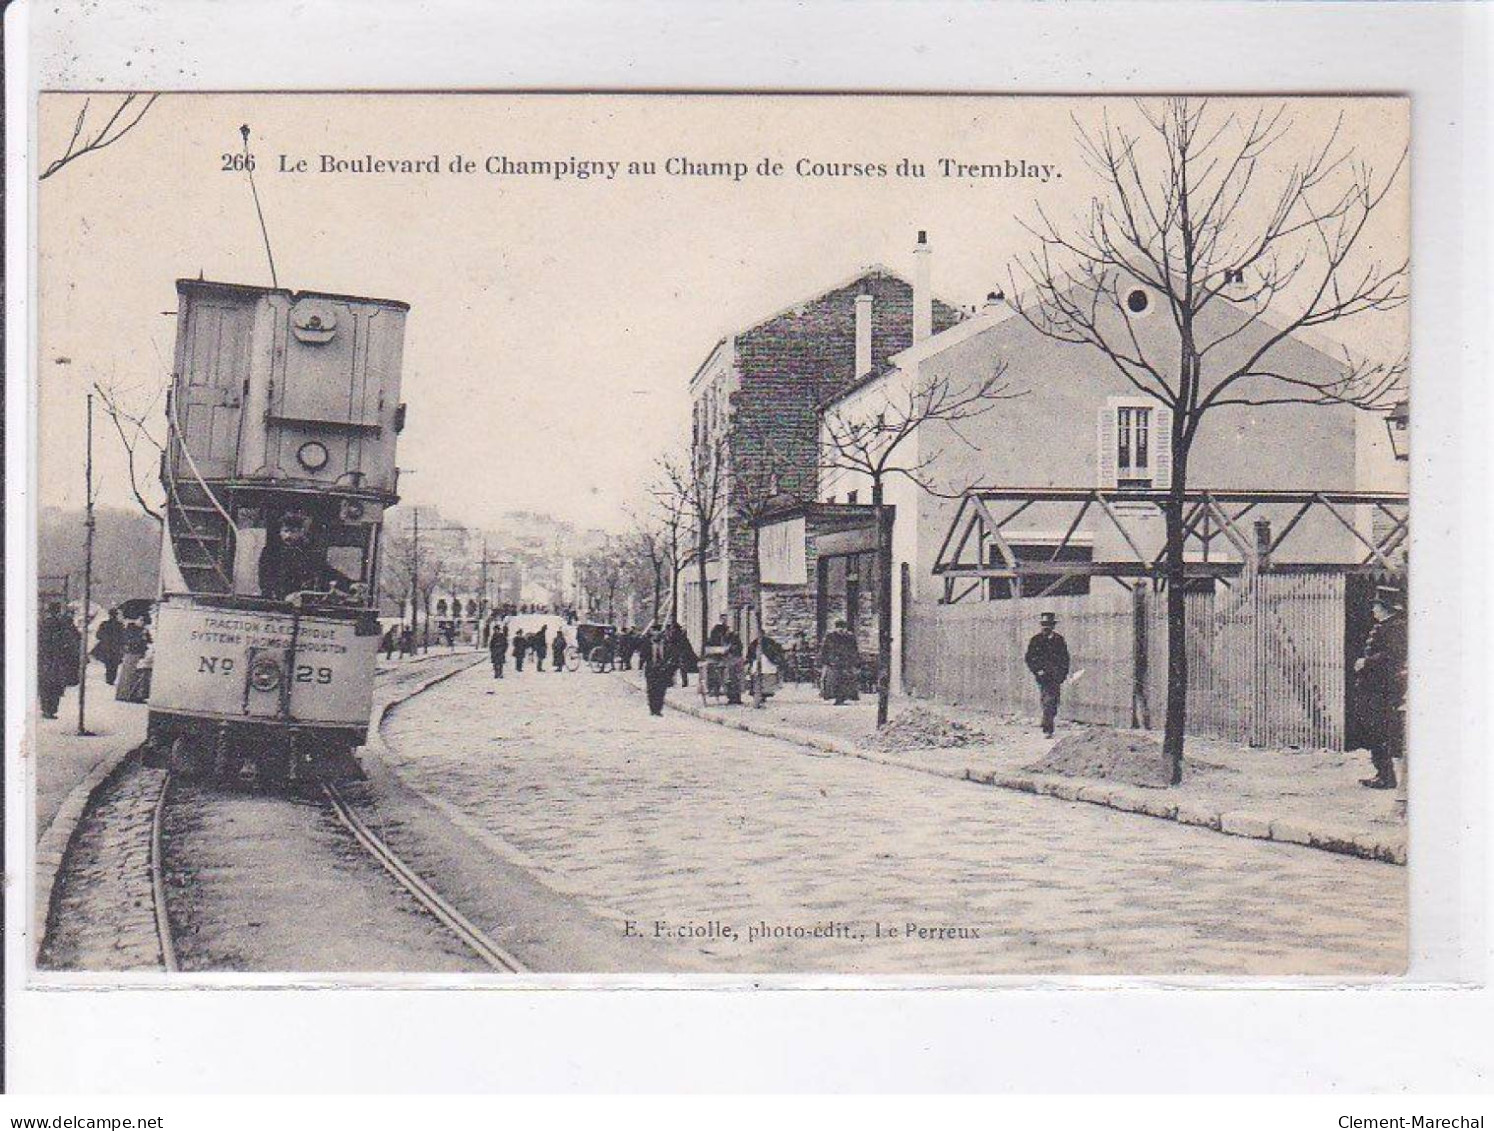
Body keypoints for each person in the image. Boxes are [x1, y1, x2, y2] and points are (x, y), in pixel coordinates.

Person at [1354, 586, 1407, 789]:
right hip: (1376, 687)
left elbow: (1392, 656)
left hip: (1385, 688)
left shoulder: (1395, 627)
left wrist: (1366, 663)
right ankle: (1382, 773)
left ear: (1386, 608)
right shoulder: (1385, 625)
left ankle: (1386, 777)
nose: (1373, 610)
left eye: (1376, 606)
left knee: (1379, 730)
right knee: (1375, 730)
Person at [258, 510, 352, 600]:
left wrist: (349, 584)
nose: (288, 536)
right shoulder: (271, 552)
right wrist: (281, 596)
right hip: (277, 603)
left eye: (293, 532)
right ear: (280, 532)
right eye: (285, 531)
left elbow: (325, 571)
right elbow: (265, 580)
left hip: (303, 602)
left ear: (301, 532)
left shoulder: (309, 552)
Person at [1025, 611, 1071, 737]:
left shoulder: (1059, 640)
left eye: (1049, 624)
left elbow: (1065, 658)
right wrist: (1037, 670)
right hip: (1043, 676)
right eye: (1044, 624)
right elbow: (1029, 657)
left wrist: (1062, 674)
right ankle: (1048, 728)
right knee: (1048, 700)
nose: (1046, 627)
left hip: (1056, 676)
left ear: (1053, 626)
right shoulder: (1036, 640)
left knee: (1054, 701)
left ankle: (1047, 720)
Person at [38, 602, 81, 719]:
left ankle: (46, 709)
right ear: (58, 611)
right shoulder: (61, 624)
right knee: (55, 685)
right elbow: (70, 639)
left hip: (46, 659)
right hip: (57, 659)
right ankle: (51, 710)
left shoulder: (43, 624)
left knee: (46, 684)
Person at [819, 619, 861, 705]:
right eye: (839, 627)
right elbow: (825, 649)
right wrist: (825, 661)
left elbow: (854, 650)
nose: (841, 629)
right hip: (833, 662)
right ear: (836, 628)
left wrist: (855, 661)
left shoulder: (850, 637)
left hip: (846, 662)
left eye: (843, 627)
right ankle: (836, 697)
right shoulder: (830, 637)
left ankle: (843, 698)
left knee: (846, 681)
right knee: (833, 681)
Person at [641, 622, 676, 716]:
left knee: (661, 690)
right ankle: (652, 709)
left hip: (663, 670)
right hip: (651, 670)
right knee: (651, 690)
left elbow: (671, 656)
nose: (656, 634)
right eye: (654, 632)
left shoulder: (666, 645)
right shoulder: (647, 644)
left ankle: (658, 709)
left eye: (658, 633)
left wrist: (669, 668)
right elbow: (643, 656)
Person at [115, 615, 151, 702]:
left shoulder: (143, 630)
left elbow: (149, 640)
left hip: (138, 654)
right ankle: (124, 695)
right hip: (131, 653)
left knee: (134, 675)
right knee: (128, 674)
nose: (142, 623)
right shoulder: (131, 629)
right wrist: (141, 636)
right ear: (137, 620)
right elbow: (130, 641)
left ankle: (130, 694)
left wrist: (145, 636)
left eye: (144, 622)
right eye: (141, 620)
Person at [92, 607, 125, 685]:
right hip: (116, 648)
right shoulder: (120, 625)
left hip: (106, 647)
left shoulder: (104, 624)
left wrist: (105, 638)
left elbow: (98, 635)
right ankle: (111, 679)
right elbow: (123, 637)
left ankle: (109, 678)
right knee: (114, 665)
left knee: (109, 664)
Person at [665, 620, 697, 687]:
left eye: (672, 628)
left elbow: (671, 643)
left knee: (673, 668)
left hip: (678, 654)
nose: (672, 630)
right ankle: (683, 682)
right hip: (680, 654)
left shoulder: (675, 635)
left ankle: (670, 682)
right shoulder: (681, 636)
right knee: (681, 669)